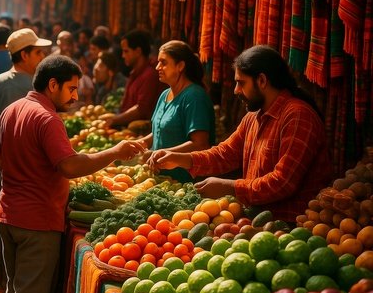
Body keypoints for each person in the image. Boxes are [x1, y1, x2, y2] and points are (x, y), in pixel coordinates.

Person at [0, 56, 145, 293]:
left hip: (9, 214)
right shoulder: (47, 118)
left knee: (18, 291)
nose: (75, 96)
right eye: (71, 89)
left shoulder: (14, 109)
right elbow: (70, 166)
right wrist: (114, 152)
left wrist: (25, 167)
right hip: (37, 219)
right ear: (52, 85)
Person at [151, 45, 332, 222]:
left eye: (241, 82)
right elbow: (225, 154)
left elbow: (283, 182)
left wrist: (230, 187)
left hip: (293, 226)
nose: (236, 90)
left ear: (261, 80)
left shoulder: (298, 116)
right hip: (258, 220)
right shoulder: (253, 117)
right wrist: (179, 159)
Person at [0, 28, 51, 293]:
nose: (43, 57)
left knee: (4, 230)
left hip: (2, 167)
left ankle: (1, 289)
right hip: (29, 174)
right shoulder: (36, 89)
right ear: (25, 55)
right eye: (38, 52)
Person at [141, 41, 215, 182]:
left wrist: (162, 153)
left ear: (180, 66)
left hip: (186, 182)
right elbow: (160, 129)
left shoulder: (194, 97)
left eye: (163, 62)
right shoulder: (165, 94)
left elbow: (200, 144)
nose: (157, 67)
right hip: (163, 180)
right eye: (158, 62)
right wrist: (141, 144)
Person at [104, 29, 165, 127]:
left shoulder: (150, 75)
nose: (123, 56)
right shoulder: (135, 72)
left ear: (138, 51)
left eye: (126, 51)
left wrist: (115, 120)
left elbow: (142, 109)